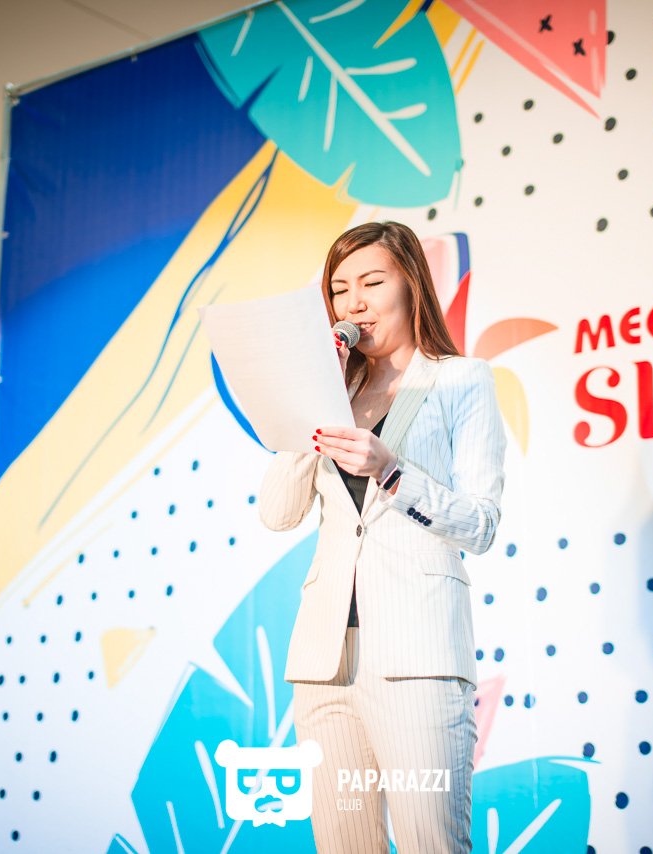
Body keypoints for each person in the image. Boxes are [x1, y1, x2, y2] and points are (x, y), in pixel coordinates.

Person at [258, 221, 507, 853]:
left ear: (411, 285)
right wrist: (310, 398)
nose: (354, 304)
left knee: (431, 842)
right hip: (324, 663)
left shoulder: (462, 379)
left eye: (371, 283)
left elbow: (480, 525)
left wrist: (393, 471)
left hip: (416, 658)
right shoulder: (330, 397)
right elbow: (278, 513)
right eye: (339, 290)